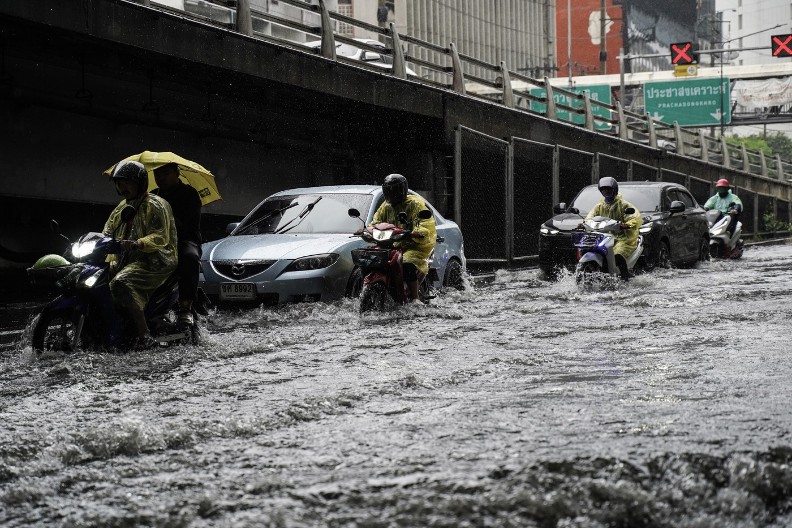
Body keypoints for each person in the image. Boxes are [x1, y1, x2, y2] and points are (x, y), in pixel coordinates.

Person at [103, 160, 178, 349]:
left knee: (122, 282)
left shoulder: (157, 204)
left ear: (140, 182)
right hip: (125, 259)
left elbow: (161, 236)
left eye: (127, 182)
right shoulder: (121, 207)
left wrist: (139, 243)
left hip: (154, 260)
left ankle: (144, 334)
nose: (122, 187)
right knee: (97, 278)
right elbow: (107, 231)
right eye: (119, 183)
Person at [368, 174, 437, 303]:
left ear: (402, 190)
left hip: (414, 245)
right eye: (388, 190)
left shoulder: (415, 204)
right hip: (391, 244)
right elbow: (375, 222)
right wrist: (368, 230)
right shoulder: (385, 206)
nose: (391, 193)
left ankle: (415, 298)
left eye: (394, 190)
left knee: (407, 265)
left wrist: (416, 232)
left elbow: (425, 224)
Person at [153, 162, 203, 326]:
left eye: (166, 174)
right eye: (157, 175)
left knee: (189, 257)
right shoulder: (152, 196)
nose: (161, 178)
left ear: (177, 173)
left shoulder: (190, 193)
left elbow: (183, 222)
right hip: (156, 242)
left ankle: (185, 308)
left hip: (184, 240)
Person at [584, 176, 642, 279]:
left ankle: (625, 277)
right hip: (605, 237)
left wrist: (627, 224)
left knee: (617, 255)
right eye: (603, 189)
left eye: (608, 189)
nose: (605, 191)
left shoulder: (624, 205)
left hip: (624, 239)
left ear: (614, 190)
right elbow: (590, 217)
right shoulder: (599, 206)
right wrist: (583, 223)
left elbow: (635, 217)